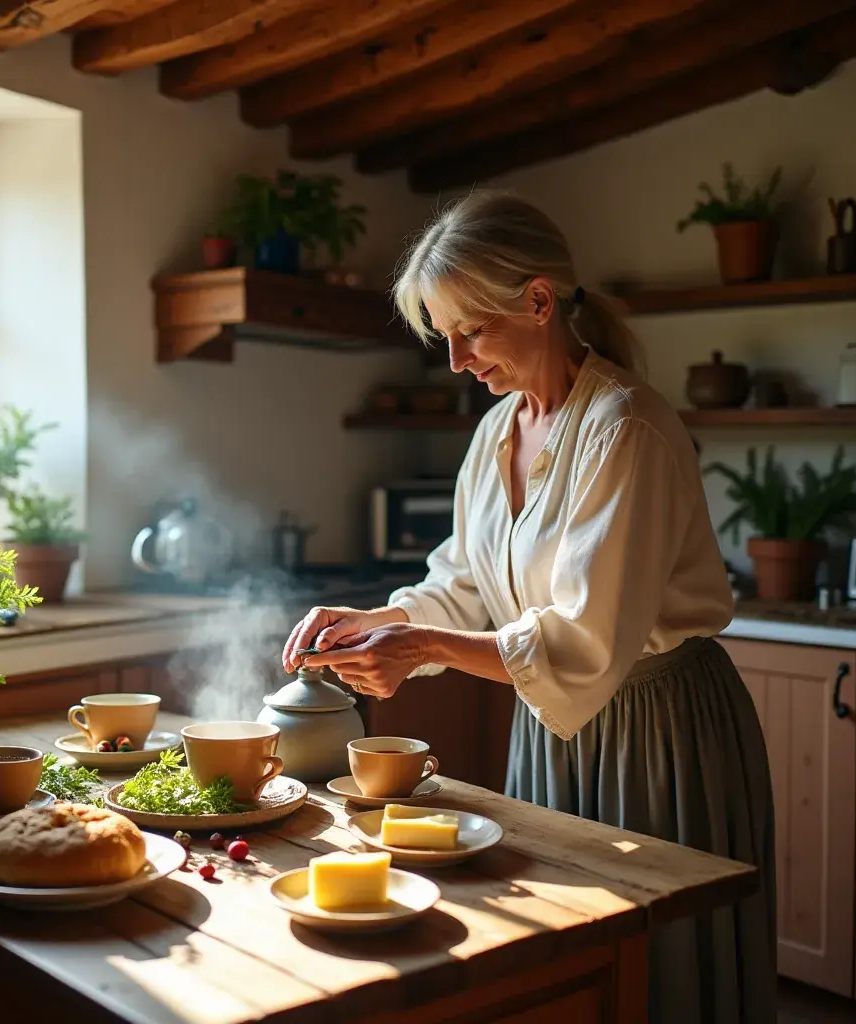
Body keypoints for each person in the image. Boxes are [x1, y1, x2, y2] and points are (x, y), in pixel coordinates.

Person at [282, 191, 776, 1022]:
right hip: (551, 730)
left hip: (657, 733)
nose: (455, 361)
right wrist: (379, 623)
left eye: (469, 331)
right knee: (570, 962)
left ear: (539, 302)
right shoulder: (497, 435)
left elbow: (581, 642)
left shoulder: (626, 431)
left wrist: (422, 647)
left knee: (659, 971)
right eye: (442, 336)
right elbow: (465, 587)